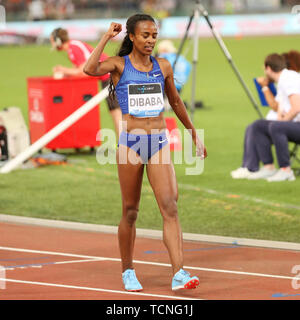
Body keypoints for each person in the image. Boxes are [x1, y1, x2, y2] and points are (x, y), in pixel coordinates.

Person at [84, 14, 207, 292]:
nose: (151, 40)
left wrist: (193, 133)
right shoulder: (118, 65)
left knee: (171, 207)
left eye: (154, 35)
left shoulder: (163, 66)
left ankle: (179, 272)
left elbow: (175, 101)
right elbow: (89, 69)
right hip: (131, 145)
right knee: (130, 211)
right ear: (132, 37)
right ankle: (127, 270)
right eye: (145, 35)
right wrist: (106, 37)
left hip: (159, 143)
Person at [231, 51, 300, 180]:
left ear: (268, 68)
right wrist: (280, 119)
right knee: (257, 126)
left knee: (276, 127)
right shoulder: (283, 79)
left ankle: (286, 170)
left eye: (264, 68)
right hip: (294, 124)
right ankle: (268, 167)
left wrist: (281, 122)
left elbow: (296, 107)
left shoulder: (289, 78)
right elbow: (279, 106)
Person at [50, 28, 122, 137]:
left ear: (58, 40)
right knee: (115, 111)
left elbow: (84, 71)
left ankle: (124, 144)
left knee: (117, 112)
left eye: (53, 40)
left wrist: (63, 70)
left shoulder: (74, 47)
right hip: (107, 77)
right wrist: (67, 73)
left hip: (110, 76)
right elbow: (80, 69)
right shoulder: (72, 50)